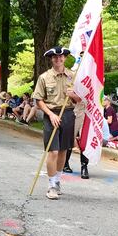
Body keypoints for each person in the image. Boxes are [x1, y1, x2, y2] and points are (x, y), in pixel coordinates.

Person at [32, 46, 81, 200]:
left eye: (61, 57)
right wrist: (50, 114)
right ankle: (51, 185)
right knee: (52, 151)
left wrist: (74, 96)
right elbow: (38, 100)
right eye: (55, 57)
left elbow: (80, 100)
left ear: (65, 58)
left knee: (63, 151)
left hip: (68, 114)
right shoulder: (44, 77)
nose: (58, 59)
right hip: (51, 115)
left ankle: (58, 181)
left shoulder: (73, 76)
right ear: (51, 59)